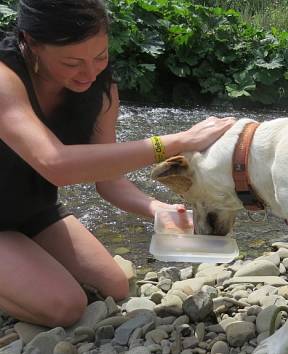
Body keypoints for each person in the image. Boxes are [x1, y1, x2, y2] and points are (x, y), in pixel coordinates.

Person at [0, 0, 235, 327]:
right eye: (71, 62)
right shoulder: (4, 78)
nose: (89, 72)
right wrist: (175, 142)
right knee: (65, 307)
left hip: (32, 211)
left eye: (100, 56)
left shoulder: (101, 89)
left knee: (114, 285)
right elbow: (55, 163)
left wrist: (157, 209)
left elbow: (109, 180)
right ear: (31, 43)